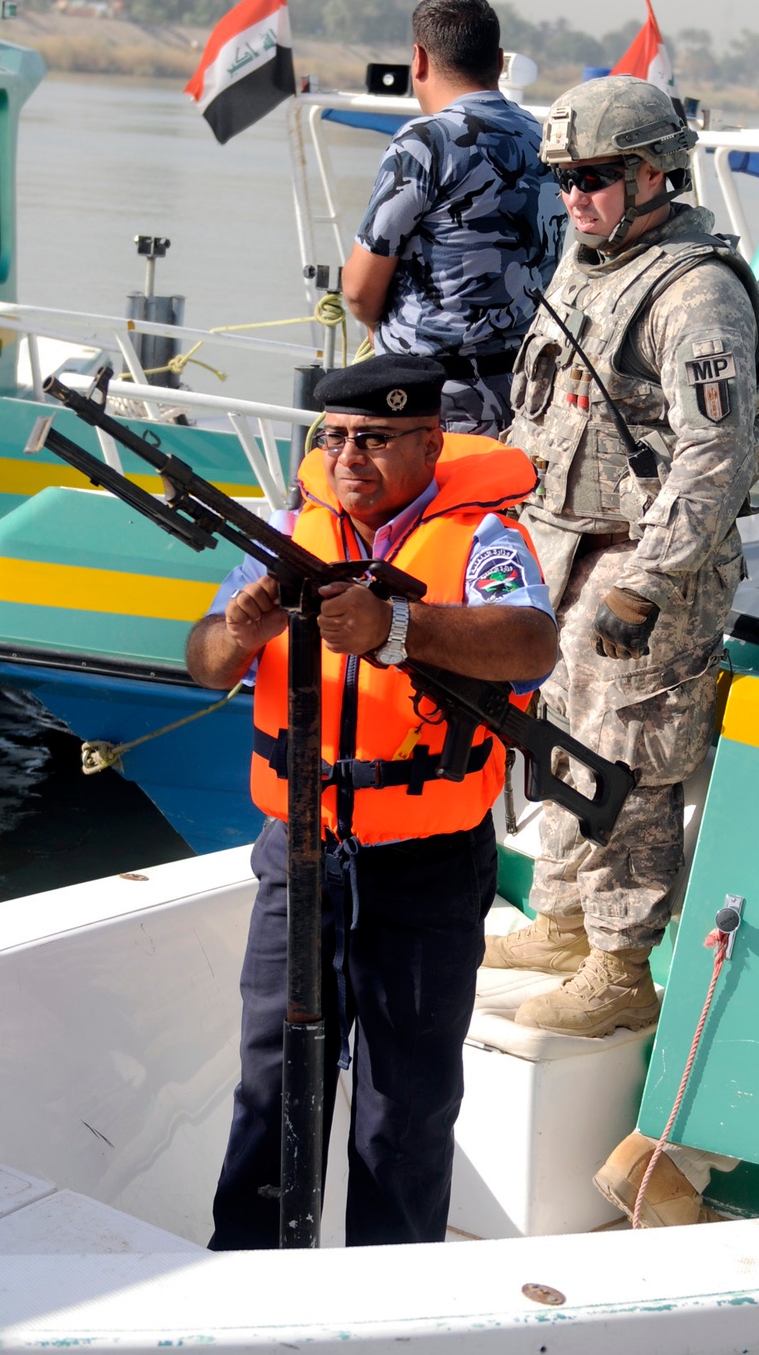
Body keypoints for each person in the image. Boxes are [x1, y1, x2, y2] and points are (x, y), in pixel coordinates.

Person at [187, 355, 557, 1249]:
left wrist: (398, 627)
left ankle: (387, 1306)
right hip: (299, 849)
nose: (351, 456)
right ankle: (247, 1288)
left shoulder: (487, 542)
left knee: (406, 1106)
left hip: (424, 864)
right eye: (337, 437)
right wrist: (238, 631)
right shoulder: (283, 532)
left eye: (378, 439)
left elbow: (531, 641)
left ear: (432, 440)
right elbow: (201, 664)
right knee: (271, 1085)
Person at [487, 74, 759, 1038]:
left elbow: (716, 452)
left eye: (598, 176)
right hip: (565, 549)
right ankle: (566, 922)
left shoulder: (696, 291)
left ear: (657, 173)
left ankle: (619, 968)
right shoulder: (589, 262)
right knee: (566, 734)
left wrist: (651, 580)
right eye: (566, 177)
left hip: (649, 564)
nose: (576, 196)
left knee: (631, 756)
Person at [341, 0, 562, 438]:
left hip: (430, 404)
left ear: (417, 59)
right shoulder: (545, 139)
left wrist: (373, 327)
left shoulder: (425, 141)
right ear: (499, 62)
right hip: (525, 399)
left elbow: (361, 290)